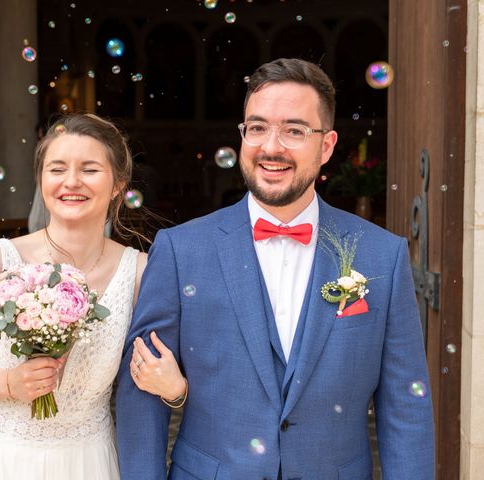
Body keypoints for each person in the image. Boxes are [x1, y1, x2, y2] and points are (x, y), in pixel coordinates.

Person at [116, 58, 435, 479]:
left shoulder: (382, 257)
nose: (272, 147)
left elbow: (404, 405)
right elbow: (142, 392)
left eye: (294, 130)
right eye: (258, 127)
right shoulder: (180, 251)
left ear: (326, 146)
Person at [0, 113, 185, 479]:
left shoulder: (141, 273)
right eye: (56, 169)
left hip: (88, 461)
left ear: (118, 183)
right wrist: (8, 384)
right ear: (41, 179)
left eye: (89, 169)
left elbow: (167, 370)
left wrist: (175, 388)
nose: (71, 182)